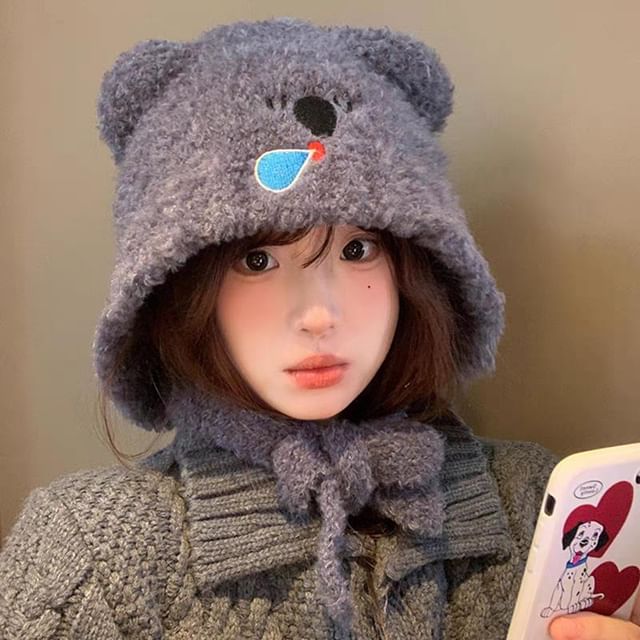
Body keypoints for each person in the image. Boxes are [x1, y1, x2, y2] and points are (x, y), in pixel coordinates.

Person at [0, 16, 637, 639]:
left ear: (417, 269)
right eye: (257, 260)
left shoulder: (536, 504)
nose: (318, 315)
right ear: (180, 289)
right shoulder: (91, 555)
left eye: (357, 250)